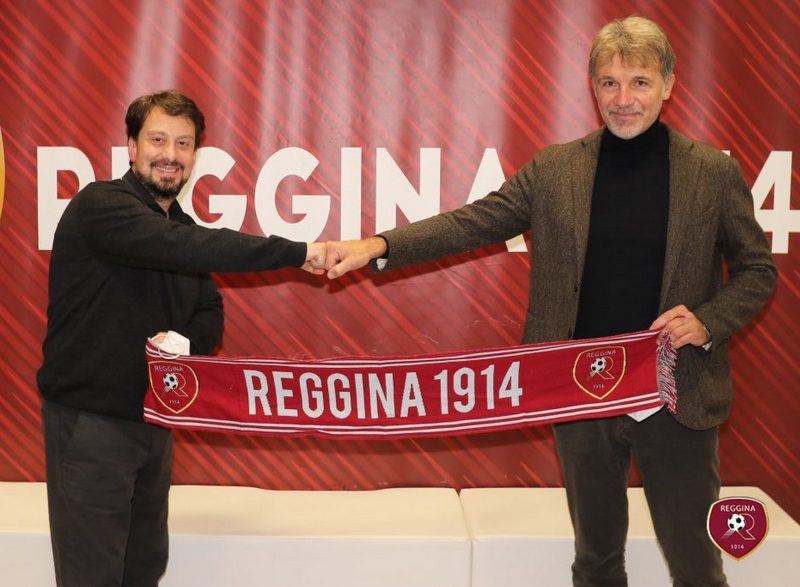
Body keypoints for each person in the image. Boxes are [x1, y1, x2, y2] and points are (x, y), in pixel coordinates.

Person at [324, 16, 776, 587]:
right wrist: (376, 245)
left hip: (677, 392)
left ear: (668, 85)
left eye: (639, 82)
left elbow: (758, 271)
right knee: (595, 563)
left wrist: (707, 322)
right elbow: (472, 223)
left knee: (697, 568)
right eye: (609, 83)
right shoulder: (556, 169)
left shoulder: (712, 172)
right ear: (593, 88)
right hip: (580, 389)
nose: (624, 99)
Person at [37, 90, 326, 587]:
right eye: (157, 140)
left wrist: (182, 342)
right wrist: (299, 252)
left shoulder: (181, 225)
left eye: (183, 143)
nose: (170, 154)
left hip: (155, 422)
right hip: (92, 427)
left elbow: (209, 310)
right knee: (92, 575)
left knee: (144, 567)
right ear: (132, 147)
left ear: (195, 155)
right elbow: (183, 246)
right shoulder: (101, 205)